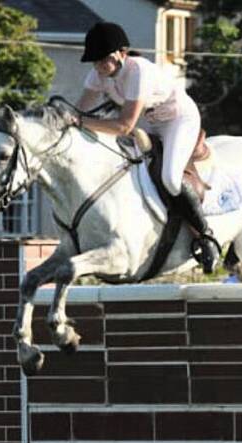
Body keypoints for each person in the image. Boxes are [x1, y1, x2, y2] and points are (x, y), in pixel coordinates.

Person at [75, 22, 220, 274]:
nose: (98, 66)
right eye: (95, 62)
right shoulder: (98, 76)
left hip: (178, 119)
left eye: (103, 60)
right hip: (150, 122)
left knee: (171, 179)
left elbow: (123, 124)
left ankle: (205, 235)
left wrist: (79, 121)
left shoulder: (138, 71)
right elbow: (79, 109)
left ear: (121, 54)